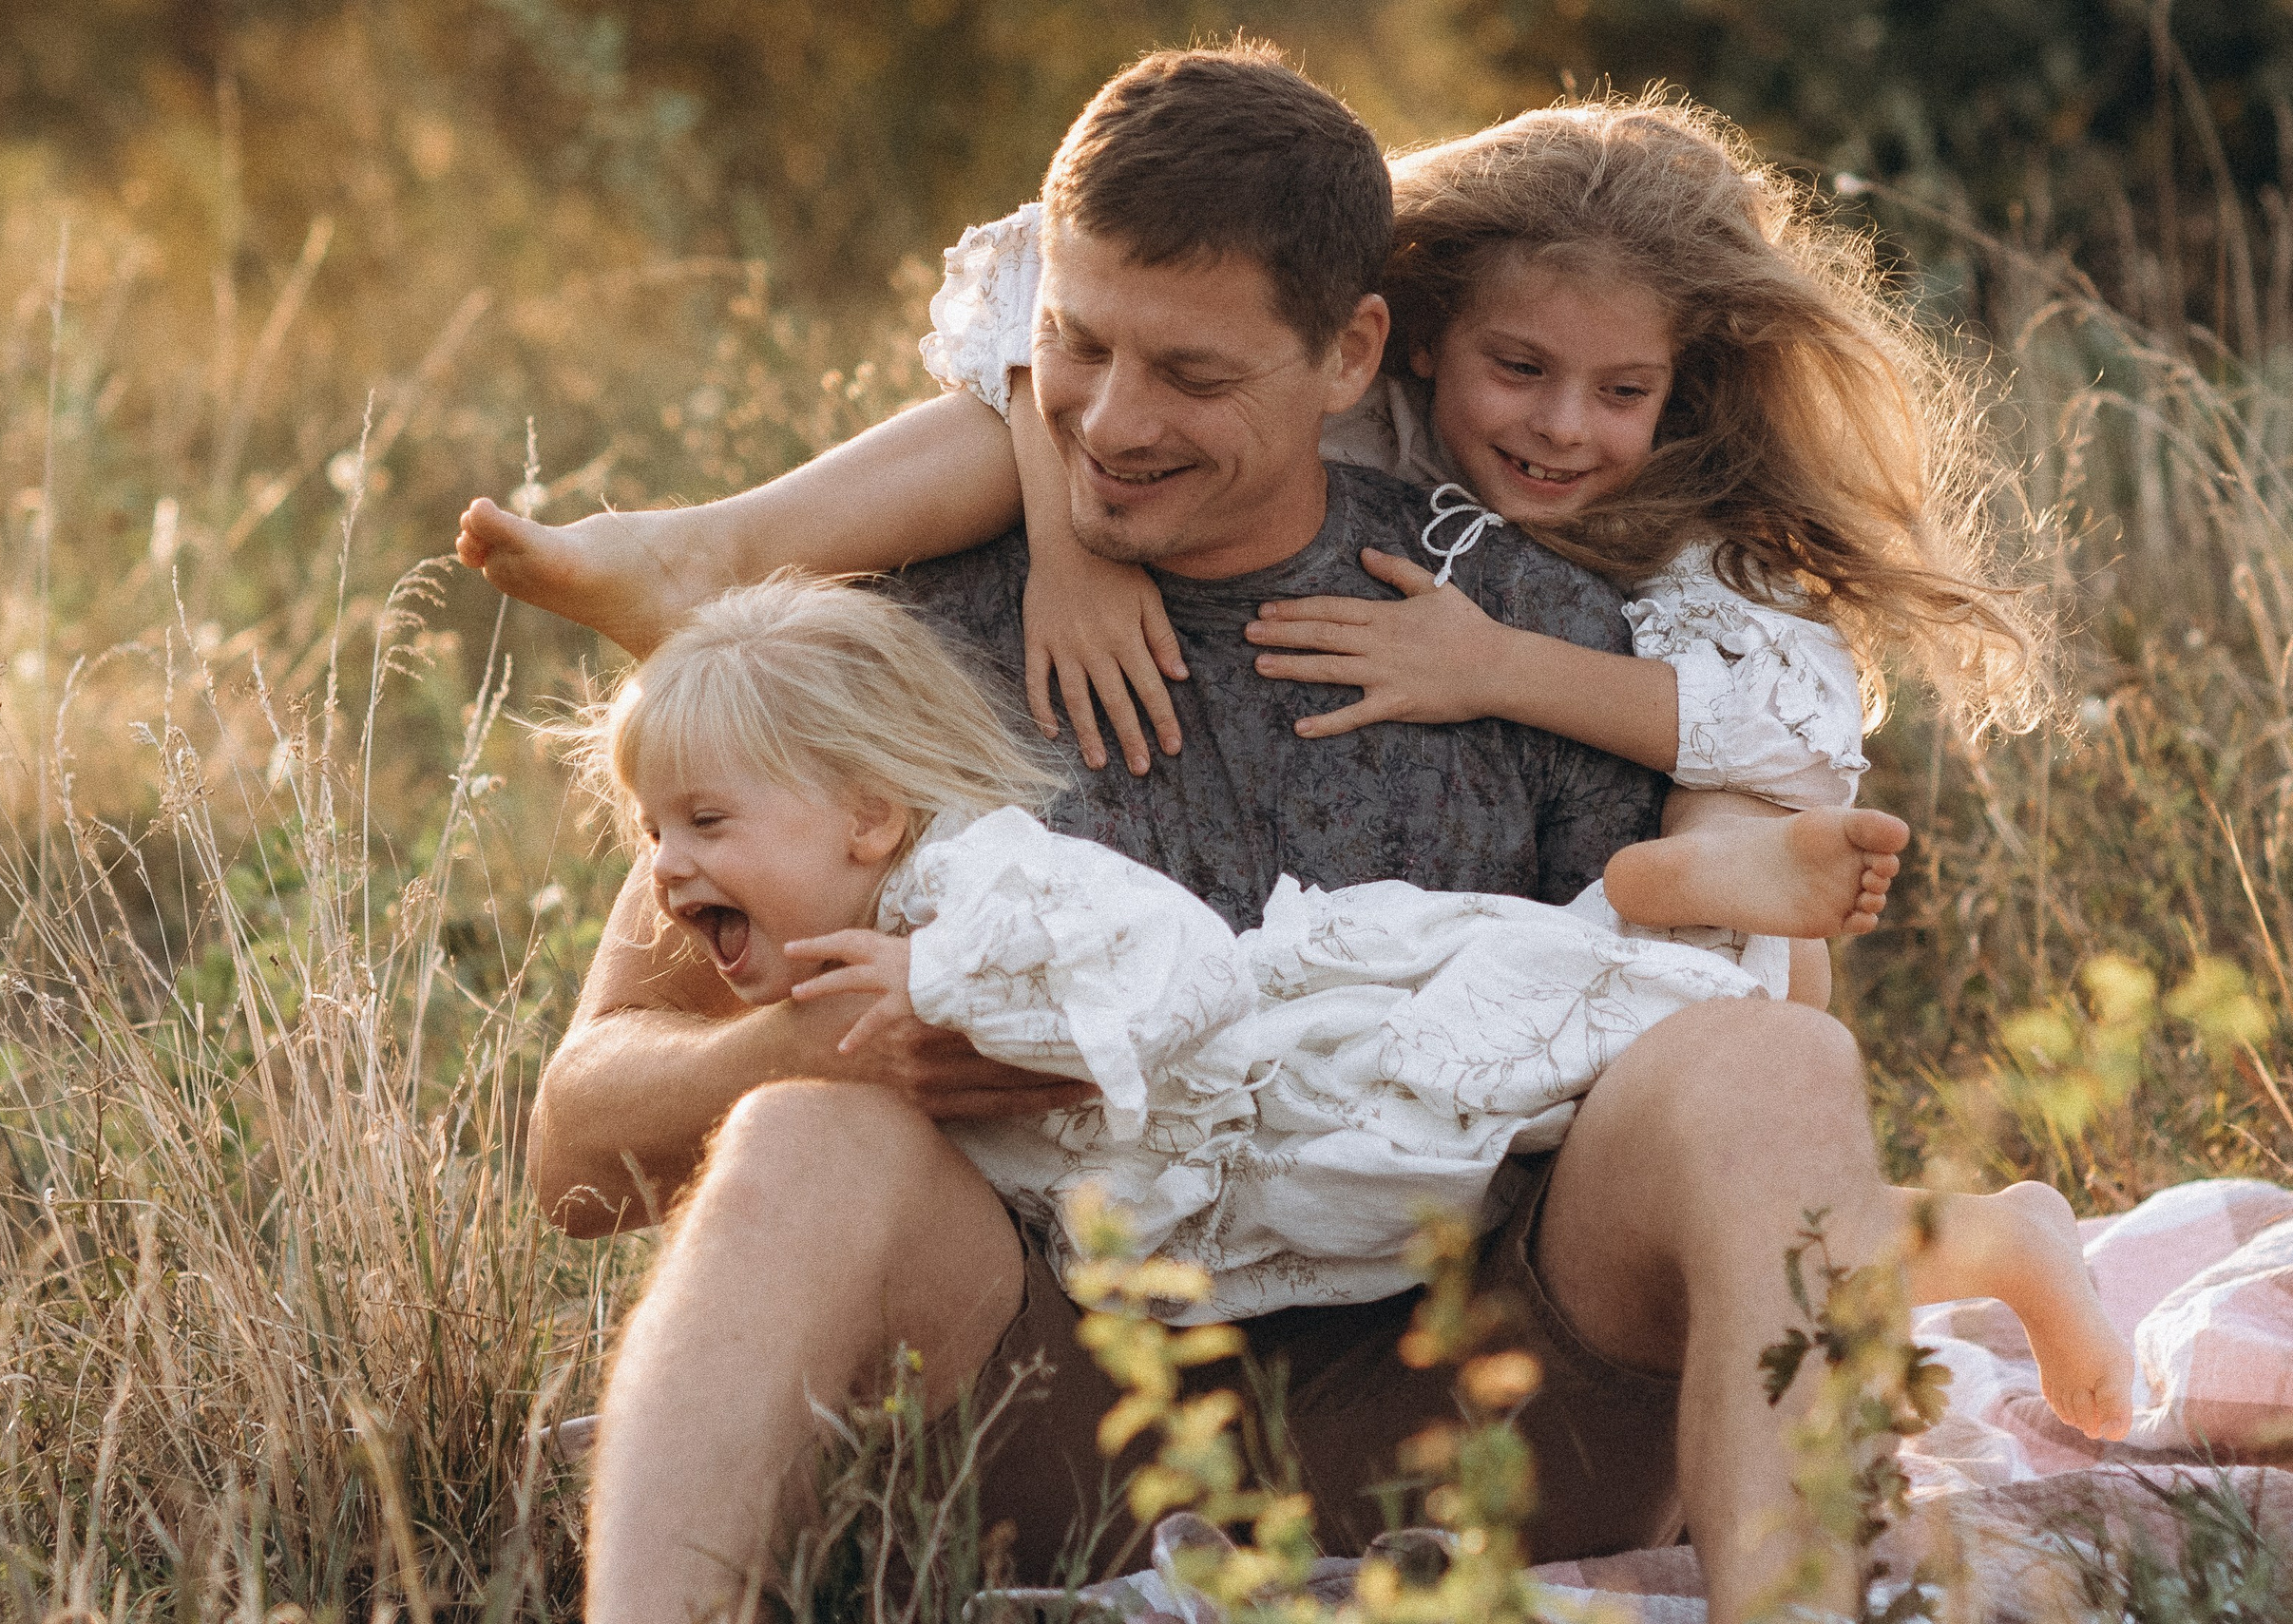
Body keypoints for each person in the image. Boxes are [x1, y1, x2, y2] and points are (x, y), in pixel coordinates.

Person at [490, 49, 2113, 1624]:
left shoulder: (1538, 631)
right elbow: (573, 1156)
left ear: (1353, 361)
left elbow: (1722, 1097)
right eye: (1076, 347)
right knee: (801, 1133)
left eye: (1194, 376)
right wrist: (832, 1045)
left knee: (1771, 1063)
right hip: (1053, 1417)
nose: (1110, 426)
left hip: (1492, 1422)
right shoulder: (870, 645)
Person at [586, 569, 2121, 1422]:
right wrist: (816, 1031)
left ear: (869, 814)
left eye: (702, 826)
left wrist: (944, 982)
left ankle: (1675, 927)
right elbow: (577, 1152)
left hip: (1337, 1096)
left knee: (1632, 1059)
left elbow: (1171, 964)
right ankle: (1641, 919)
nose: (665, 866)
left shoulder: (978, 881)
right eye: (653, 830)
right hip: (1244, 1227)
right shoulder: (819, 886)